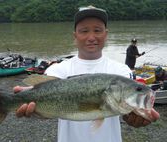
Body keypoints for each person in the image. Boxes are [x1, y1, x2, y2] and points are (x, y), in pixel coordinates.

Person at [14, 6, 159, 142]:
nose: (91, 37)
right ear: (75, 35)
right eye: (84, 31)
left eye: (97, 30)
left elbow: (126, 112)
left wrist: (133, 117)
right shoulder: (57, 70)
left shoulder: (121, 71)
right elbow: (45, 100)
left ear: (106, 34)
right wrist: (34, 108)